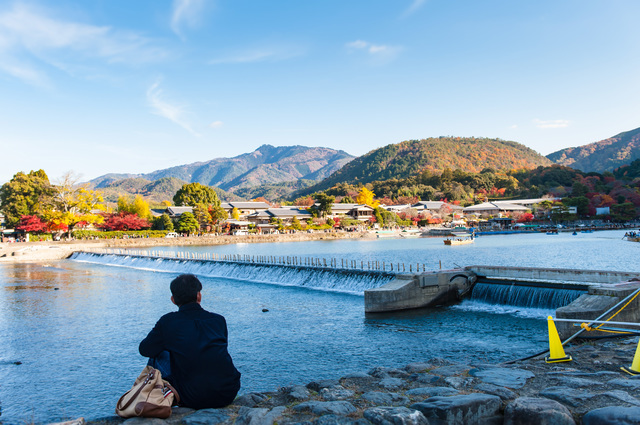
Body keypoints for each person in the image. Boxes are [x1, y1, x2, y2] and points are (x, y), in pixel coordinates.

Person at [139, 274, 241, 409]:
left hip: (192, 397)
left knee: (157, 354)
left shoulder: (168, 321)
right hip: (228, 392)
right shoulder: (218, 320)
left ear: (173, 300)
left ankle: (157, 398)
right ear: (199, 296)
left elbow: (144, 350)